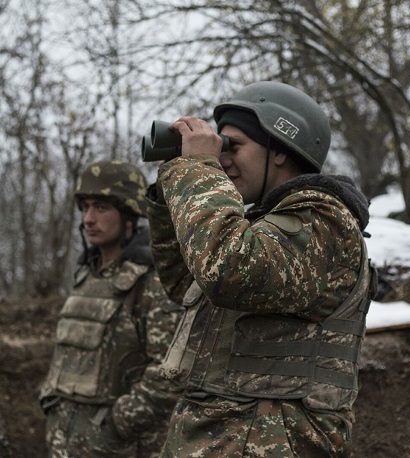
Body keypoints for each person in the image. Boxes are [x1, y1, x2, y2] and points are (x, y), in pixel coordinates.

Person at [144, 81, 377, 457]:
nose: (221, 158)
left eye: (232, 145)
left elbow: (228, 270)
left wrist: (198, 170)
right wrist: (175, 182)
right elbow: (187, 282)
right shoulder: (257, 229)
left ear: (280, 149)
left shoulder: (323, 222)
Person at [38, 159, 182, 458]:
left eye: (101, 208)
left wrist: (117, 424)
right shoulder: (86, 275)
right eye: (85, 208)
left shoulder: (151, 281)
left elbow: (170, 374)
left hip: (119, 447)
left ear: (129, 214)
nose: (88, 219)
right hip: (67, 443)